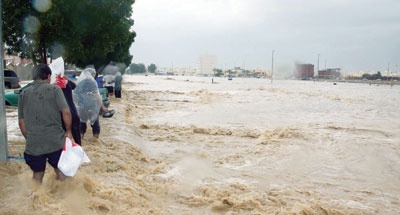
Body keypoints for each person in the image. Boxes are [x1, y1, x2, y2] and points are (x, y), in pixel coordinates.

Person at [18, 64, 72, 184]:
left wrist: (31, 137)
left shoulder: (24, 93)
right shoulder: (55, 90)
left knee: (37, 176)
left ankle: (35, 201)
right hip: (55, 141)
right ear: (48, 76)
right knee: (61, 172)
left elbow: (21, 122)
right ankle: (65, 200)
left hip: (33, 145)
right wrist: (68, 131)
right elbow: (66, 112)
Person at [74, 68, 109, 139]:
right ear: (92, 74)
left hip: (82, 107)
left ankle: (81, 143)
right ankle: (95, 142)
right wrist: (103, 107)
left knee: (81, 125)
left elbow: (75, 95)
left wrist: (77, 106)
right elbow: (97, 96)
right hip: (92, 107)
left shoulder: (80, 83)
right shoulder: (93, 83)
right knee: (95, 125)